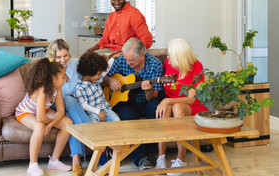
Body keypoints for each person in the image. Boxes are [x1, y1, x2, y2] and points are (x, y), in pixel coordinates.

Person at [103, 37, 164, 170]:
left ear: (142, 56)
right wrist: (110, 81)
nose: (127, 62)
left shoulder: (155, 65)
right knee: (126, 113)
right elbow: (104, 77)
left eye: (130, 60)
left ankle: (151, 153)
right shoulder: (120, 61)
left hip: (147, 101)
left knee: (155, 107)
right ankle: (139, 157)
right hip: (127, 103)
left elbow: (153, 97)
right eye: (126, 59)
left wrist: (148, 90)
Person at [155, 38, 208, 176]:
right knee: (165, 108)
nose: (167, 58)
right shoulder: (168, 63)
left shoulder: (197, 67)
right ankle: (161, 158)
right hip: (171, 103)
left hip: (193, 106)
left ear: (180, 57)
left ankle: (181, 159)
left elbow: (191, 99)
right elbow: (165, 81)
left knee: (177, 107)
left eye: (170, 55)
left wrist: (167, 100)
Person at [15, 58, 72, 176]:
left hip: (42, 111)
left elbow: (61, 110)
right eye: (63, 76)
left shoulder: (58, 88)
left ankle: (54, 161)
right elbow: (40, 118)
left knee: (68, 124)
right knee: (40, 126)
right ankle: (32, 165)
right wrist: (49, 123)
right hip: (25, 112)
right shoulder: (42, 90)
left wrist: (51, 125)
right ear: (53, 79)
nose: (65, 79)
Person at [46, 39, 89, 176]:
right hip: (55, 104)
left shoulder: (76, 64)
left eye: (65, 55)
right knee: (68, 101)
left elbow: (90, 79)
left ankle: (76, 159)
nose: (63, 60)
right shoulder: (48, 69)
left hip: (75, 105)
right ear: (53, 57)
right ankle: (90, 133)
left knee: (70, 113)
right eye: (59, 57)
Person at [85, 0, 153, 54]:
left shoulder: (134, 14)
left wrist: (133, 53)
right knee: (88, 57)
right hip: (110, 50)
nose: (116, 2)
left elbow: (147, 39)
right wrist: (92, 49)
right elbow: (104, 40)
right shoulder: (111, 17)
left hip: (127, 53)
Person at [74, 52, 120, 123]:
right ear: (89, 73)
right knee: (93, 126)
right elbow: (83, 105)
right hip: (92, 113)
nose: (100, 76)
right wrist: (98, 112)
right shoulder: (80, 88)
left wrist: (113, 58)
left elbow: (105, 71)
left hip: (105, 109)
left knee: (117, 121)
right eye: (98, 74)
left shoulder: (96, 79)